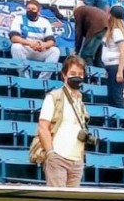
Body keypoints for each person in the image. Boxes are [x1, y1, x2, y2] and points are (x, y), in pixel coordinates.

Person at [37, 55, 91, 187]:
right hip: (58, 157)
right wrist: (50, 153)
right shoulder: (54, 97)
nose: (77, 76)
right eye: (73, 73)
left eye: (80, 74)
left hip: (77, 160)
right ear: (64, 75)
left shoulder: (81, 102)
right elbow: (43, 127)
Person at [9, 0, 60, 80]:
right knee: (16, 46)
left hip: (39, 50)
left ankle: (43, 80)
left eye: (33, 9)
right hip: (25, 48)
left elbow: (51, 41)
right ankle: (25, 78)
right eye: (28, 9)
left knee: (55, 51)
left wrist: (44, 45)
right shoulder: (19, 19)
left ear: (38, 11)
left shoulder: (45, 22)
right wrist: (30, 43)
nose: (30, 11)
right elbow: (14, 38)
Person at [101, 5, 124, 108]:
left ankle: (121, 121)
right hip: (111, 66)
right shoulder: (112, 31)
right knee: (112, 97)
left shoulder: (116, 32)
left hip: (116, 66)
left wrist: (119, 71)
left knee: (116, 97)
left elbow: (123, 50)